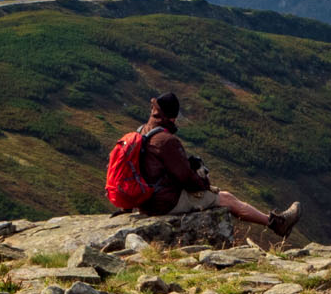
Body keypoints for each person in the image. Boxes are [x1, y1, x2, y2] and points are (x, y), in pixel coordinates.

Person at [127, 92, 300, 238]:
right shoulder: (166, 141)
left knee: (220, 195)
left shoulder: (140, 132)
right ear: (172, 117)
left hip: (145, 200)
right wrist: (205, 185)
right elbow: (186, 178)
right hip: (164, 203)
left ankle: (276, 222)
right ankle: (277, 224)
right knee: (226, 198)